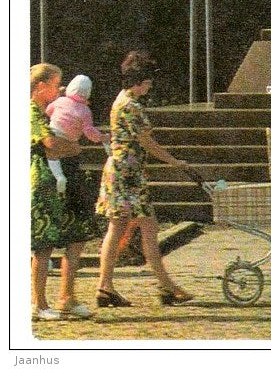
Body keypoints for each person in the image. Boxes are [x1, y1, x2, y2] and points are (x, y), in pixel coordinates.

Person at [95, 51, 195, 306]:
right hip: (126, 176)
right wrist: (174, 161)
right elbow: (147, 142)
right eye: (148, 81)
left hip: (126, 174)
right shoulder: (131, 106)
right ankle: (110, 286)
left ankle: (162, 286)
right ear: (139, 81)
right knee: (126, 228)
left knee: (138, 228)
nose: (150, 85)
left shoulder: (123, 101)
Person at [31, 62, 96, 321]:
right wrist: (74, 146)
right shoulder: (32, 112)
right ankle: (39, 303)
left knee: (76, 234)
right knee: (44, 244)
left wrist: (67, 145)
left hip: (64, 178)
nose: (60, 87)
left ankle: (66, 297)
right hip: (44, 182)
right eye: (55, 82)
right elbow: (50, 145)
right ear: (40, 86)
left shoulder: (50, 110)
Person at [46, 74, 109, 195]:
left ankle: (59, 176)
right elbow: (89, 131)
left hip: (54, 133)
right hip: (70, 139)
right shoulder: (85, 111)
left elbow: (49, 111)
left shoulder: (60, 100)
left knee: (52, 156)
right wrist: (101, 137)